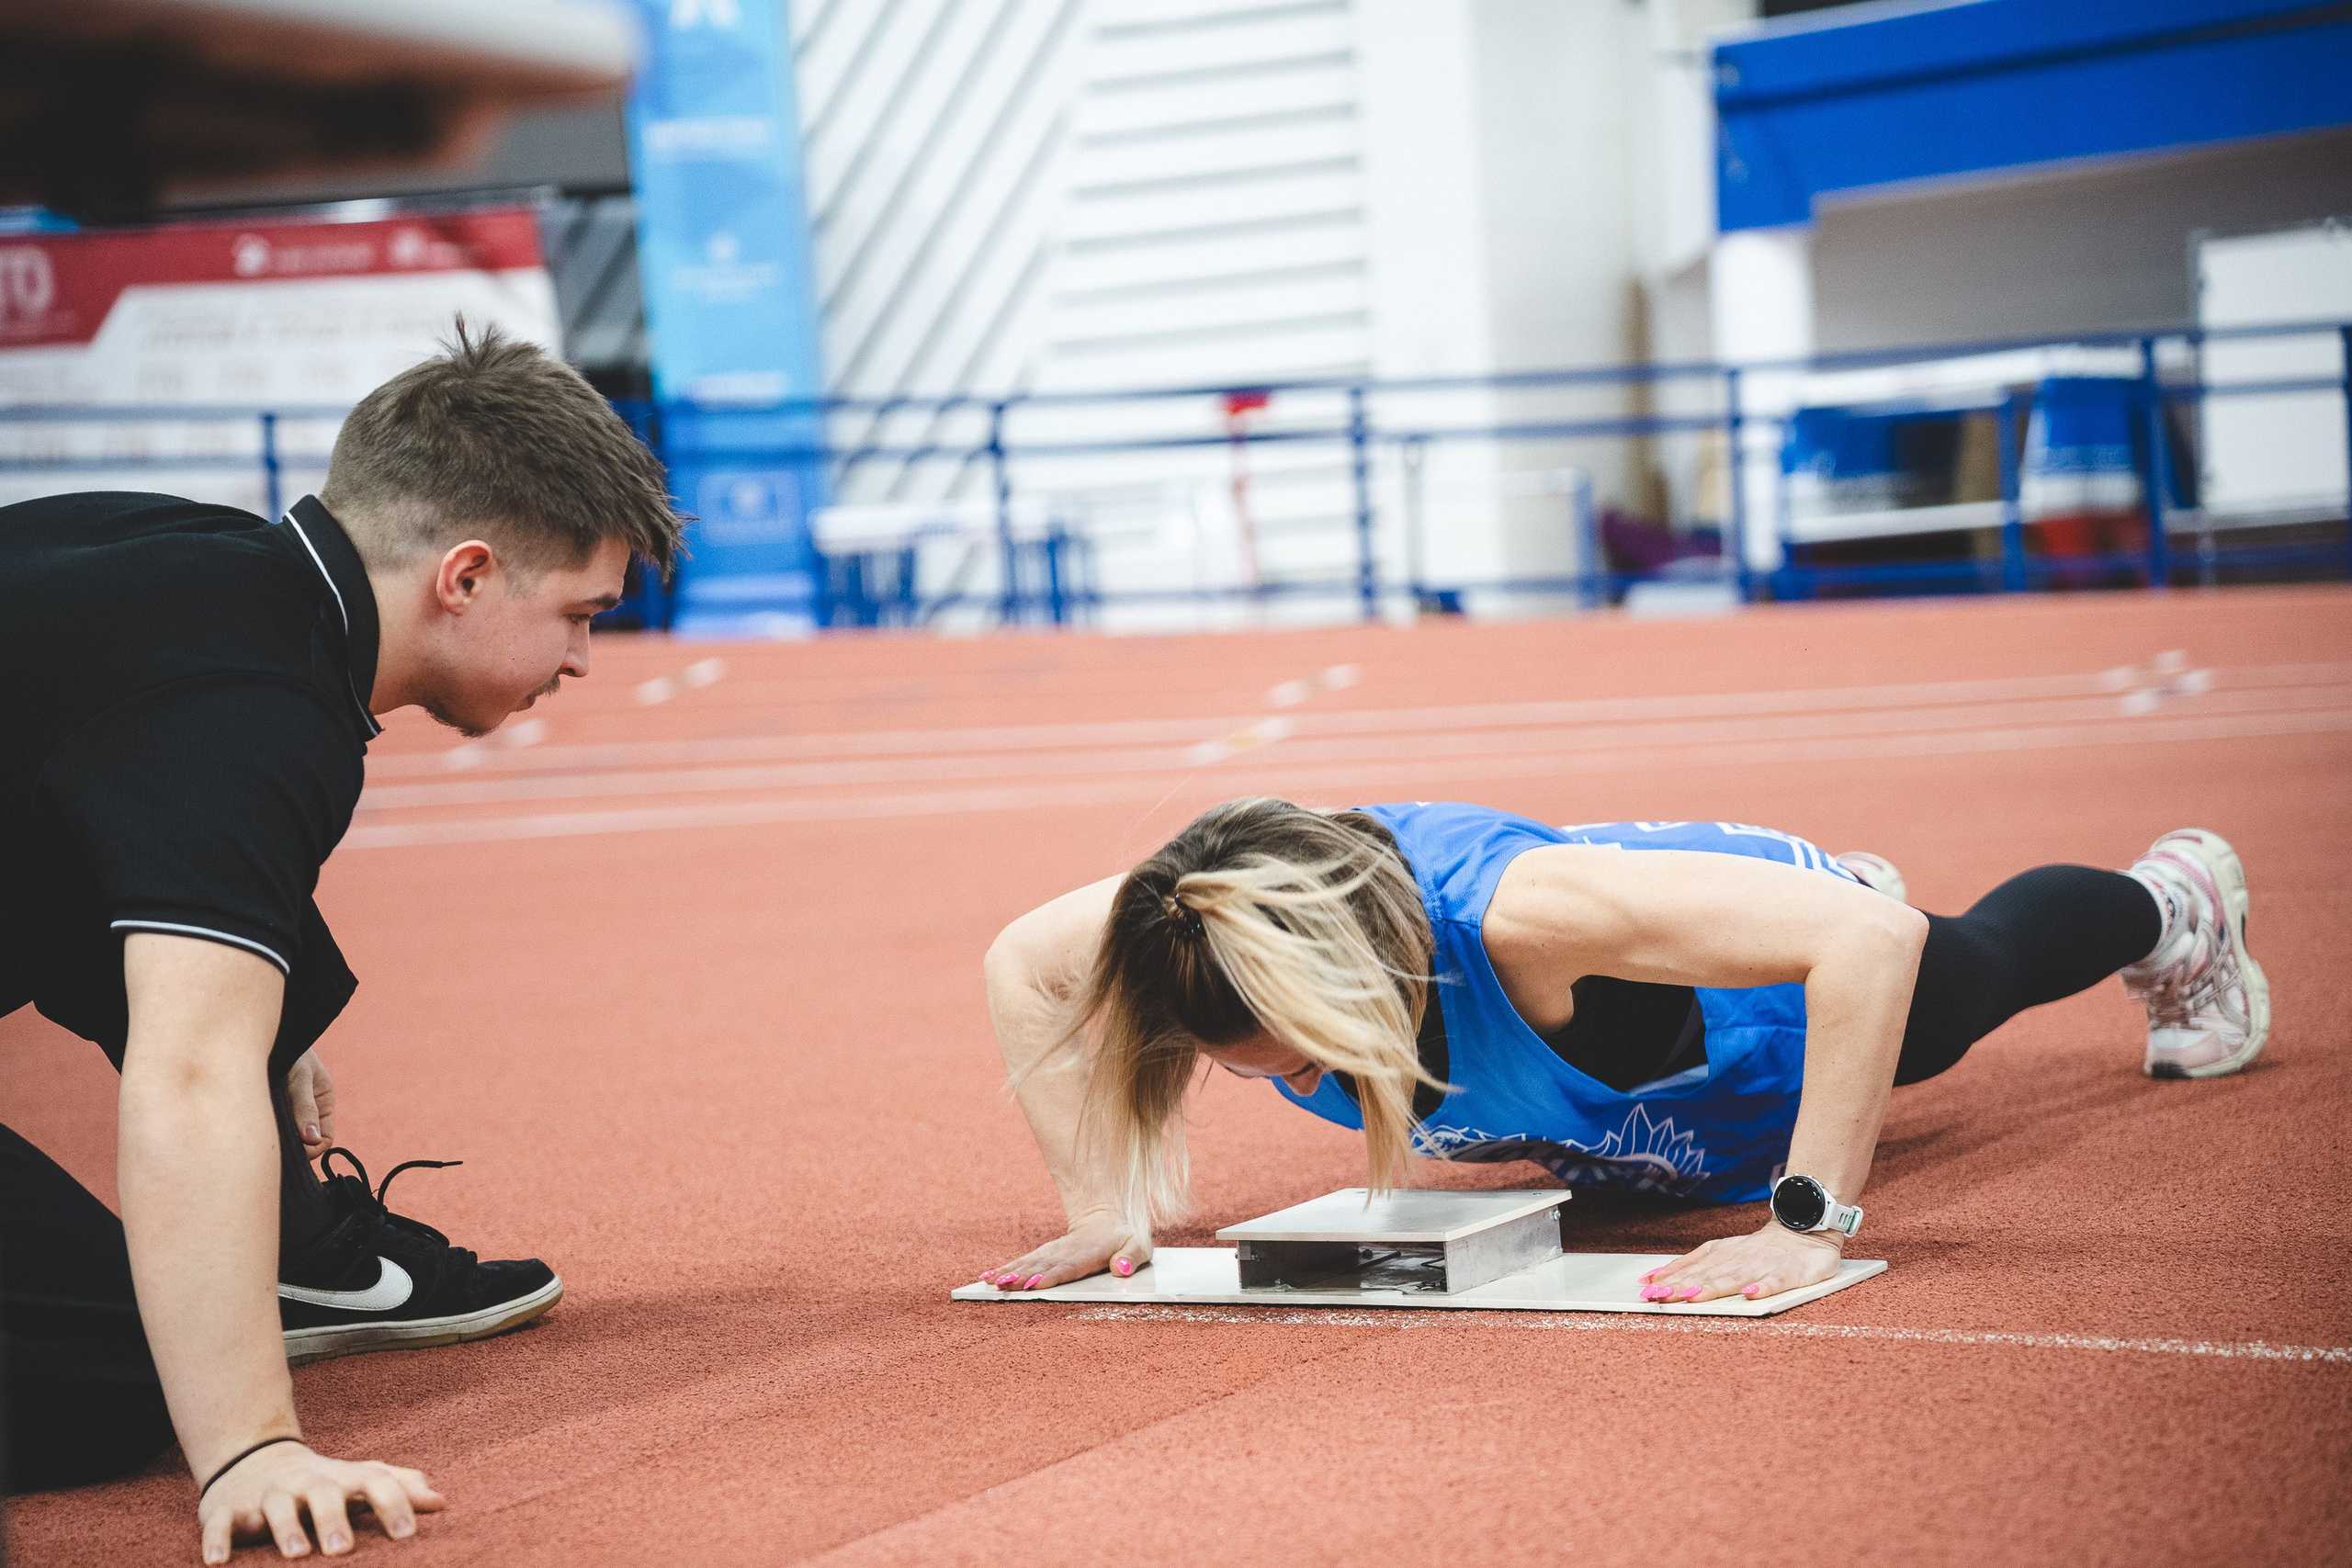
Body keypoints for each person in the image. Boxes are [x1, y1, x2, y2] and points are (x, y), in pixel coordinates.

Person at [0, 323, 683, 1562]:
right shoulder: (256, 708)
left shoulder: (197, 564)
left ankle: (301, 1253)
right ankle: (276, 1276)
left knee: (249, 957)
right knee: (102, 1362)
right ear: (465, 577)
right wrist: (254, 1446)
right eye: (580, 615)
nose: (584, 659)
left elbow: (84, 848)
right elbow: (189, 1071)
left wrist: (276, 1028)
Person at [978, 798, 2266, 1303]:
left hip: (1722, 1018)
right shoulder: (1190, 916)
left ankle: (2176, 903)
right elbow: (1021, 964)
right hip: (1592, 1056)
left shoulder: (1518, 915)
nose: (1288, 1082)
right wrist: (1101, 1208)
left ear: (1353, 979)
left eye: (1290, 1053)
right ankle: (1771, 914)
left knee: (1953, 975)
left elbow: (1869, 948)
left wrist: (1808, 1223)